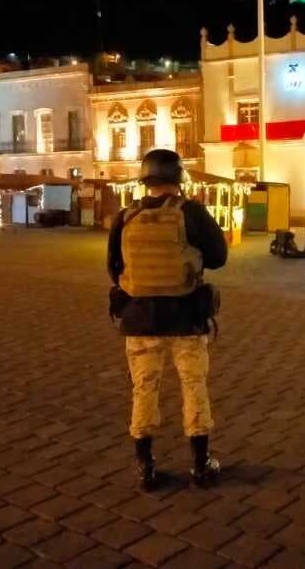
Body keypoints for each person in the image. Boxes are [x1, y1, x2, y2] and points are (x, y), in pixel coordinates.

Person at [107, 149, 228, 491]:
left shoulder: (126, 216)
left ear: (146, 181)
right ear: (178, 179)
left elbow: (114, 269)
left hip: (140, 320)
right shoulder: (191, 212)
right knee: (194, 385)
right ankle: (201, 464)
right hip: (187, 318)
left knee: (143, 388)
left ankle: (146, 468)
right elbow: (219, 258)